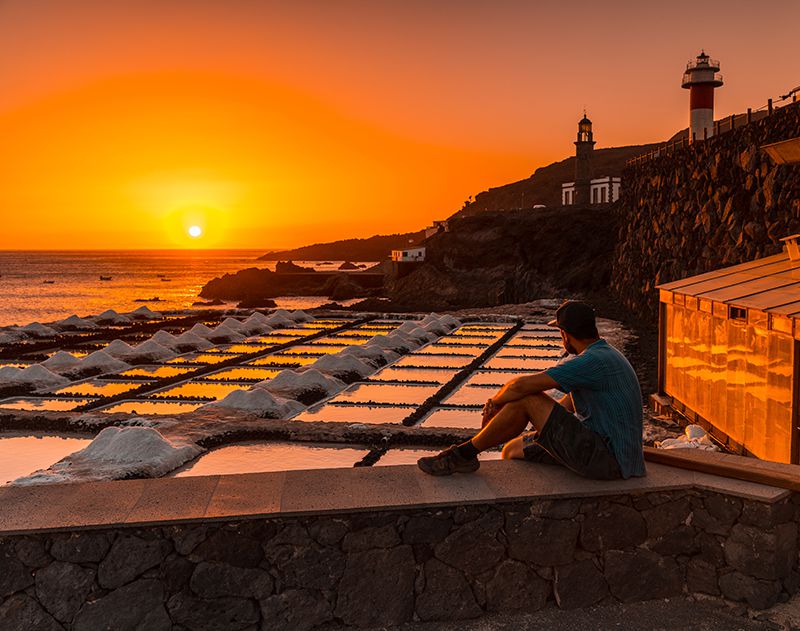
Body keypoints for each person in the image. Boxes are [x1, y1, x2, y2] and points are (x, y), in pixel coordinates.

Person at [417, 300, 645, 480]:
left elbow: (521, 386)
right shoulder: (605, 354)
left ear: (564, 334)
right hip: (613, 456)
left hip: (609, 461)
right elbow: (566, 405)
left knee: (528, 400)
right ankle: (472, 455)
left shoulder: (592, 360)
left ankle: (462, 455)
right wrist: (534, 423)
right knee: (512, 448)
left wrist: (495, 403)